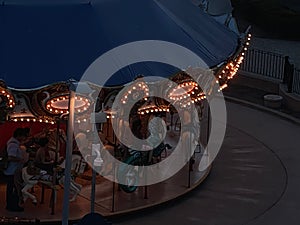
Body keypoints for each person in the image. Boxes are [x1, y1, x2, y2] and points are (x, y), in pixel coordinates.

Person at [3, 128, 28, 212]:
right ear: (19, 136)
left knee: (12, 187)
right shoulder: (13, 144)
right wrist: (20, 159)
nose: (24, 138)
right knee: (13, 188)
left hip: (14, 169)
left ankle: (12, 204)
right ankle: (12, 205)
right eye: (23, 136)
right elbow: (11, 156)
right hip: (12, 170)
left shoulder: (15, 143)